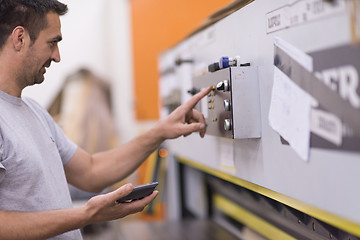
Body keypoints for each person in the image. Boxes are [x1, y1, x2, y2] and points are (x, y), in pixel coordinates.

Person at [0, 0, 211, 239]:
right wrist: (87, 214)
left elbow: (91, 171)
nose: (57, 56)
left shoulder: (35, 112)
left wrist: (160, 132)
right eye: (52, 43)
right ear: (20, 38)